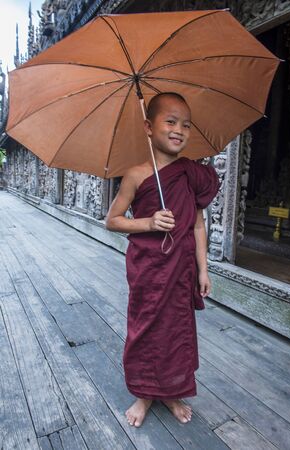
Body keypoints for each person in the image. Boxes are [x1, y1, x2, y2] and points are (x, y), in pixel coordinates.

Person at [105, 92, 220, 428]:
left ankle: (171, 391)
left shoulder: (190, 173)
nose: (179, 130)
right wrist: (149, 222)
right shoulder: (136, 175)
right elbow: (113, 220)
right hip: (149, 269)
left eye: (185, 124)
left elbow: (197, 223)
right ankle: (144, 393)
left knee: (177, 330)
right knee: (146, 328)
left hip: (181, 269)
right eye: (170, 121)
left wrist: (204, 268)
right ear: (148, 126)